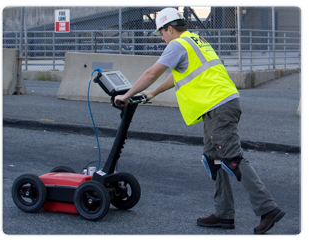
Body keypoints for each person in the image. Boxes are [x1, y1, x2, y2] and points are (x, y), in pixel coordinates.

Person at [114, 7, 285, 234]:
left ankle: (268, 209)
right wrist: (153, 93)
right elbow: (178, 74)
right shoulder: (194, 40)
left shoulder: (177, 44)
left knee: (232, 158)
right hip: (218, 105)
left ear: (169, 28)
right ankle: (224, 215)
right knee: (214, 159)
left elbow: (150, 73)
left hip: (219, 106)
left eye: (161, 32)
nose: (162, 38)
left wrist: (125, 96)